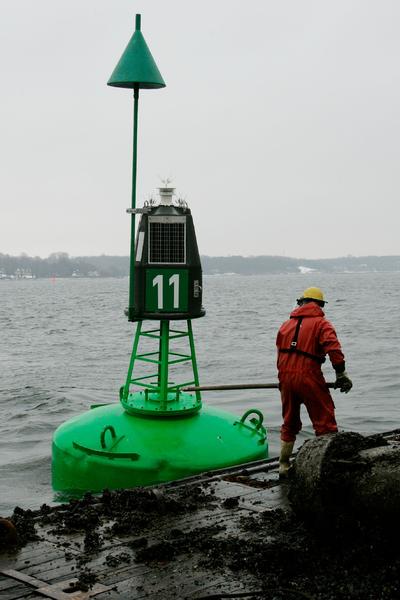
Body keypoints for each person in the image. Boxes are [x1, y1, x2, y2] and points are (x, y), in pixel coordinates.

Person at [276, 286, 352, 477]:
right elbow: (333, 349)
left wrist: (284, 380)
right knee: (324, 421)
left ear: (301, 302)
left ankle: (283, 466)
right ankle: (327, 465)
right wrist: (341, 374)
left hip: (285, 376)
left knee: (289, 421)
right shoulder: (322, 324)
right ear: (319, 305)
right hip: (308, 376)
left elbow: (279, 352)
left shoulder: (285, 325)